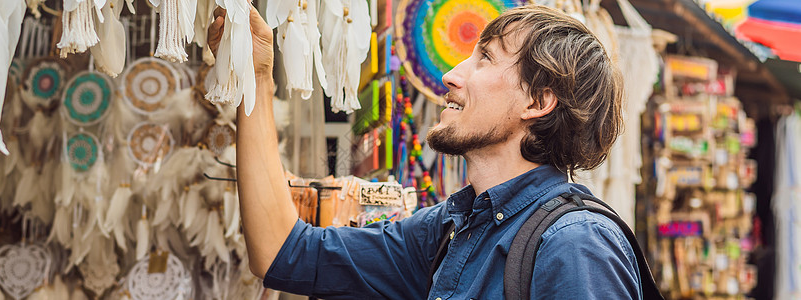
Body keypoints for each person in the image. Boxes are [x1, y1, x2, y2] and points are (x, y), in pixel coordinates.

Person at [207, 3, 639, 299]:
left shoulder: (576, 244)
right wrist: (258, 76)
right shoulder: (451, 228)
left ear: (538, 102)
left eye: (485, 58)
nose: (451, 75)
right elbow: (283, 253)